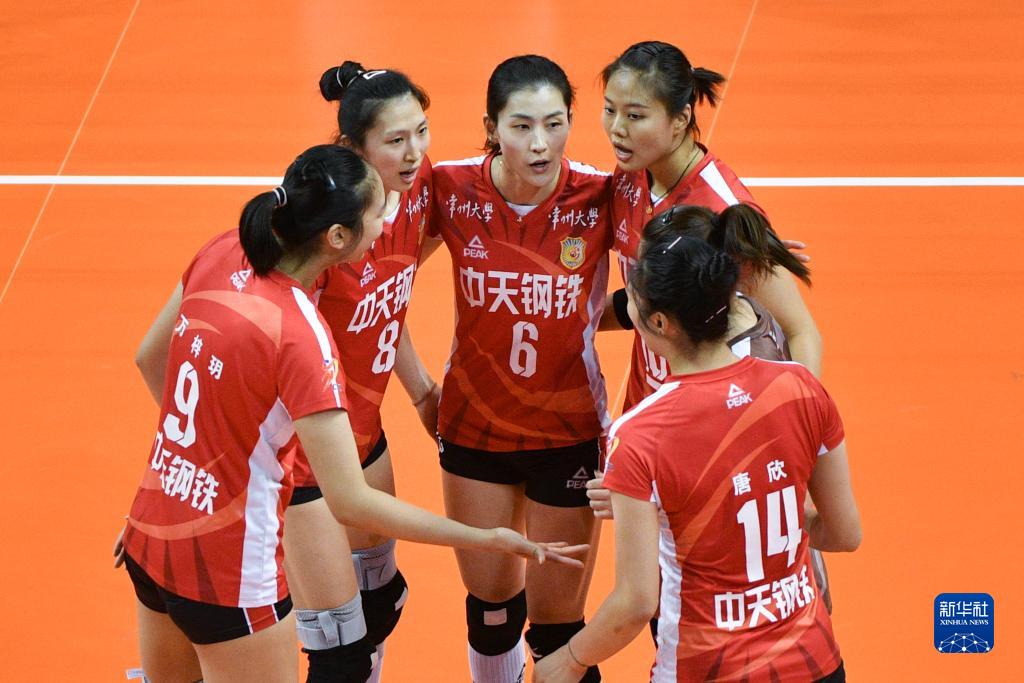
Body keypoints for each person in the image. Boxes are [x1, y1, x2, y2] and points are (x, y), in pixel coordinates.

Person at [119, 144, 584, 683]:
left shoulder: (222, 250)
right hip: (228, 569)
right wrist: (484, 538)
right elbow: (352, 501)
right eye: (377, 214)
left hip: (150, 531)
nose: (388, 222)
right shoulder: (302, 334)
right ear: (338, 238)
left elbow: (150, 358)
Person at [533, 234, 860, 683]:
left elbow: (635, 602)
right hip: (815, 663)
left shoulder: (641, 433)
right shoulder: (801, 387)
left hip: (705, 668)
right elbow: (844, 533)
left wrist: (569, 660)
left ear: (660, 322)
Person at [427, 55, 613, 682]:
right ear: (491, 127)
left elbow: (666, 273)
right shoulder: (451, 189)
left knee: (558, 629)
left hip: (568, 433)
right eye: (522, 126)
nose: (540, 144)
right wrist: (420, 388)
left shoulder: (600, 195)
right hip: (474, 429)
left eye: (555, 124)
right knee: (491, 613)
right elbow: (385, 279)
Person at [275, 60, 437, 683]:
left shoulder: (415, 194)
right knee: (339, 651)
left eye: (421, 131)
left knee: (380, 600)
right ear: (354, 147)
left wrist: (422, 391)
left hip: (365, 432)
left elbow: (388, 298)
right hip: (305, 457)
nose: (414, 152)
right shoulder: (325, 234)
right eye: (395, 140)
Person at [588, 203, 834, 612]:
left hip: (737, 592)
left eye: (644, 276)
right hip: (784, 587)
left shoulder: (729, 385)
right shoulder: (738, 314)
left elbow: (727, 491)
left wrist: (638, 503)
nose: (634, 288)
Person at [599, 40, 822, 412]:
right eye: (610, 110)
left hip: (716, 418)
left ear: (681, 119)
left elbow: (801, 331)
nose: (617, 128)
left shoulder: (722, 209)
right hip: (648, 407)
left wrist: (802, 420)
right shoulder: (630, 176)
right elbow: (648, 299)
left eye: (635, 116)